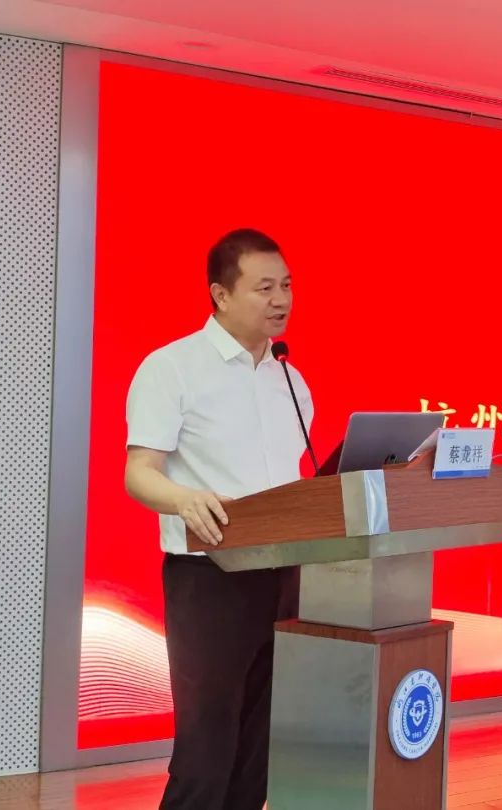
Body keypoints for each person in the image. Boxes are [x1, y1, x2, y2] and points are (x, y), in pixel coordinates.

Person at [124, 228, 313, 810]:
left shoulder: (290, 379)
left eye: (286, 286)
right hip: (210, 576)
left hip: (284, 575)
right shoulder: (173, 368)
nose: (281, 299)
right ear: (221, 294)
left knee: (259, 749)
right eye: (264, 287)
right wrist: (184, 499)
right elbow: (139, 473)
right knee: (206, 753)